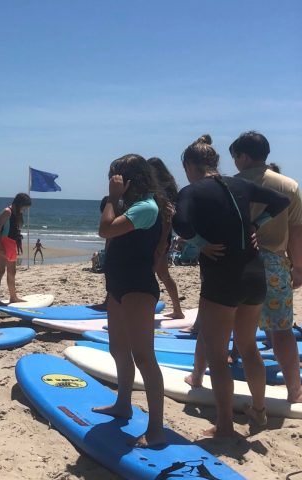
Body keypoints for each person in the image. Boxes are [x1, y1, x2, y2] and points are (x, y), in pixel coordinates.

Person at [173, 135, 289, 437]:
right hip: (254, 275)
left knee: (216, 352)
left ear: (189, 165)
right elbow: (281, 201)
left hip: (222, 279)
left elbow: (180, 224)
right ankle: (259, 411)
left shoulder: (191, 190)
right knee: (248, 346)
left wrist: (201, 244)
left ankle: (224, 424)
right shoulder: (238, 185)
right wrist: (256, 225)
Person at [93, 154, 166, 447]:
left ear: (130, 180)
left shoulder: (146, 207)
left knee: (144, 357)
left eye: (117, 179)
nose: (114, 184)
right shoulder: (134, 206)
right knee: (118, 348)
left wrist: (112, 198)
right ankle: (123, 403)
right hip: (119, 286)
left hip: (138, 288)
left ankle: (156, 429)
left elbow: (105, 229)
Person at [232, 131, 302, 403]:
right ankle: (294, 391)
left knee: (239, 330)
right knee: (282, 328)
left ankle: (249, 393)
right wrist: (298, 268)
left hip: (237, 263)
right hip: (274, 263)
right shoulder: (289, 186)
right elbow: (296, 233)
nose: (235, 162)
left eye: (236, 156)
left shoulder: (230, 185)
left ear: (244, 156)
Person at [147, 157, 185, 319]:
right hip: (161, 236)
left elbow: (167, 219)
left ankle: (174, 310)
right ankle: (177, 310)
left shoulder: (161, 191)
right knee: (163, 274)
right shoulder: (166, 188)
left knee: (153, 274)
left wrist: (162, 243)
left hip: (159, 237)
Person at [0, 193, 31, 306]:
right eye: (24, 207)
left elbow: (15, 229)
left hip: (12, 243)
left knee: (12, 271)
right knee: (0, 271)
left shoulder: (16, 213)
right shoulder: (7, 212)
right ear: (19, 203)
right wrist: (0, 245)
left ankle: (13, 297)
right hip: (3, 241)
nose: (25, 209)